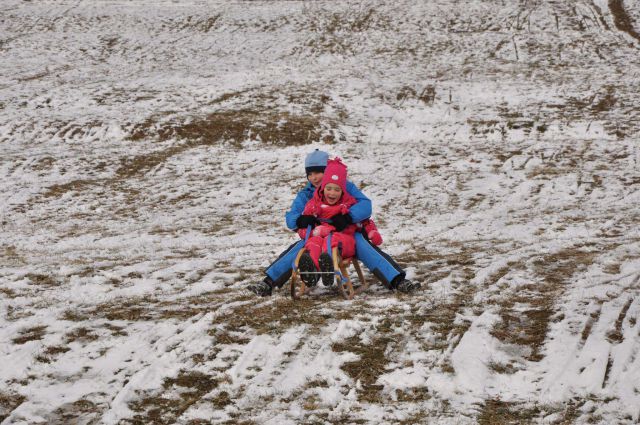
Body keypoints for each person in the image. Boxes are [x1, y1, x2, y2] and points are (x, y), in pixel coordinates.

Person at [248, 149, 419, 296]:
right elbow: (291, 218)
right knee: (298, 249)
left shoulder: (345, 186)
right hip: (319, 235)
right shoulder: (306, 194)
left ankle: (398, 281)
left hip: (345, 232)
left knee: (365, 247)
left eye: (319, 172)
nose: (314, 178)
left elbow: (365, 205)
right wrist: (300, 219)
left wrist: (348, 217)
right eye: (310, 173)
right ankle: (268, 283)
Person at [296, 157, 359, 287]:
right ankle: (312, 272)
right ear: (322, 188)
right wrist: (313, 232)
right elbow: (303, 231)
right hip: (320, 237)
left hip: (343, 241)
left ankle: (328, 268)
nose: (332, 193)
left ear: (343, 192)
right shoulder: (313, 205)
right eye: (328, 188)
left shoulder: (346, 205)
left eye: (337, 190)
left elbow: (356, 225)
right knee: (313, 242)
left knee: (332, 240)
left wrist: (340, 224)